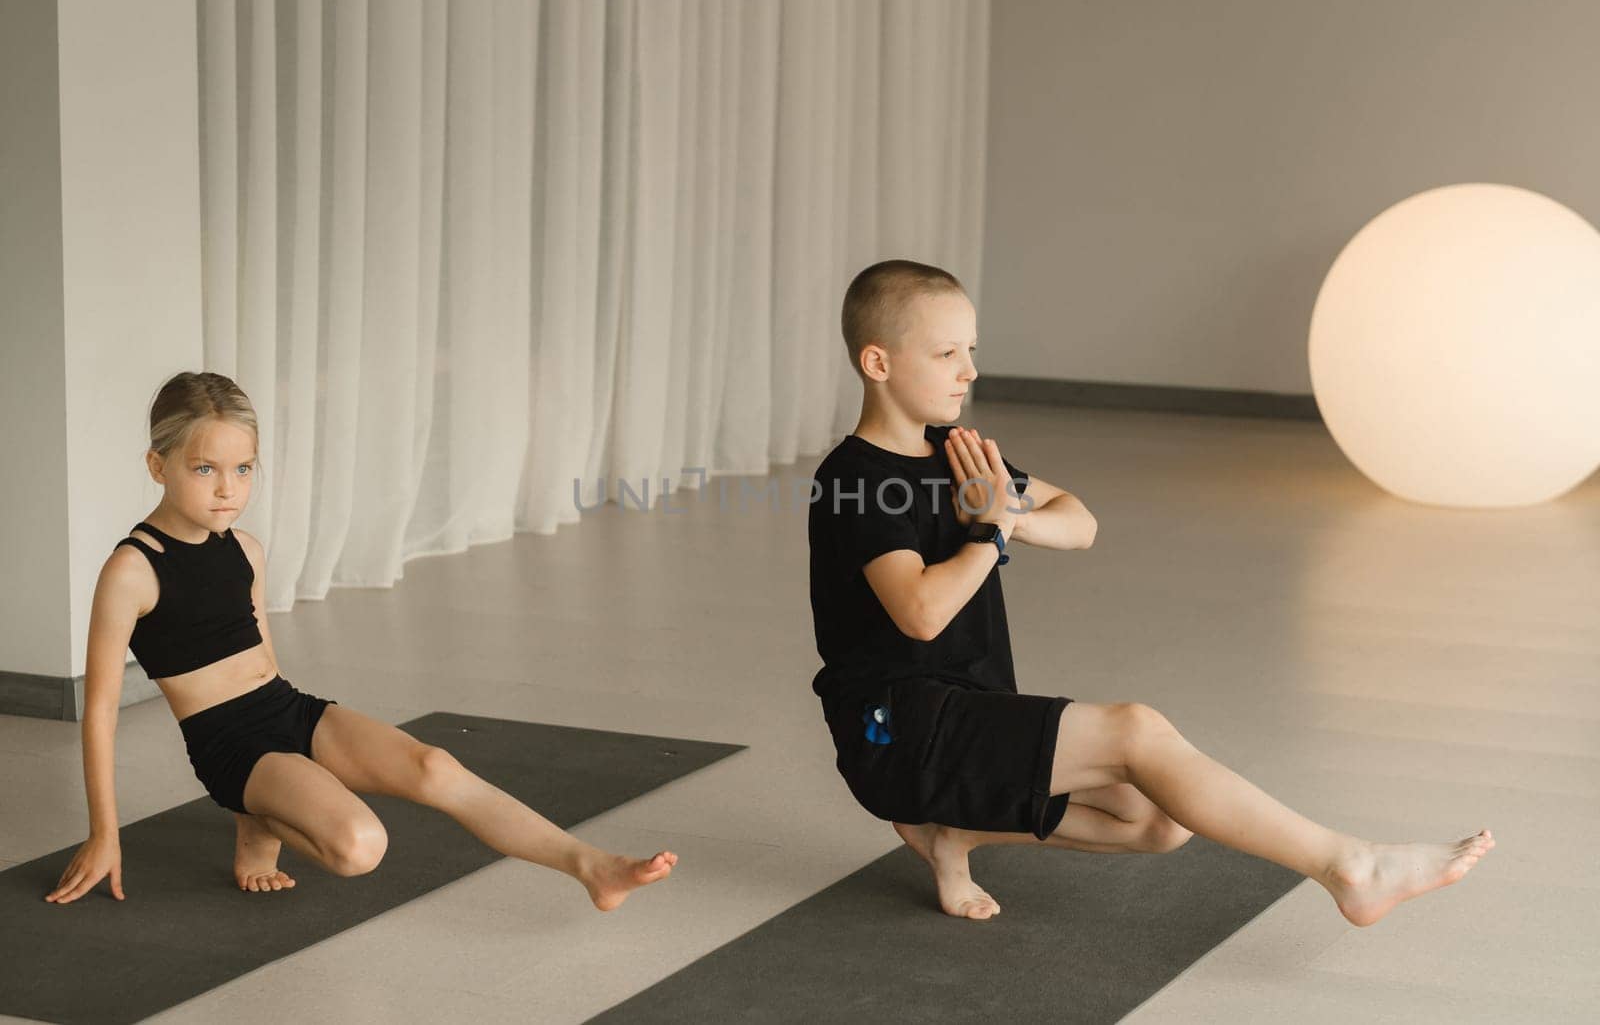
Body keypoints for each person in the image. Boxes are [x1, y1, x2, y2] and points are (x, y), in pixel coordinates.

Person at [808, 258, 1494, 923]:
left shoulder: (955, 452)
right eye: (946, 352)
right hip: (896, 730)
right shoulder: (856, 479)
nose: (971, 369)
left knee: (1158, 820)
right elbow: (921, 612)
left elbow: (1080, 522)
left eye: (973, 348)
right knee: (1136, 729)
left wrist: (1007, 516)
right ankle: (1350, 867)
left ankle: (955, 835)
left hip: (969, 708)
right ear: (878, 363)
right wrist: (989, 529)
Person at [46, 371, 676, 906]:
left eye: (242, 468)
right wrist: (105, 832)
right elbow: (99, 712)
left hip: (286, 709)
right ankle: (255, 812)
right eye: (204, 468)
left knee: (436, 765)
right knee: (359, 847)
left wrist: (305, 740)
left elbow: (264, 659)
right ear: (158, 465)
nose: (226, 489)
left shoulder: (246, 550)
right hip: (227, 744)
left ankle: (589, 866)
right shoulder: (133, 569)